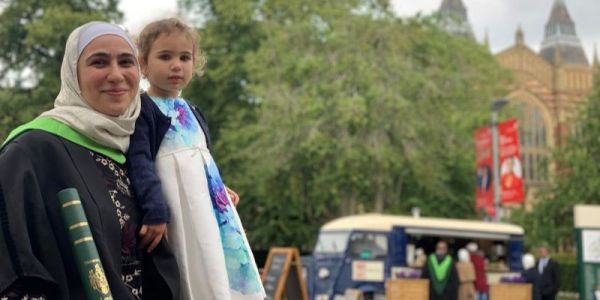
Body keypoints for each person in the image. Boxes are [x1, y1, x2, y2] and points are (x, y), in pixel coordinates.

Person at [0, 21, 179, 299]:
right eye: (99, 62)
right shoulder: (33, 150)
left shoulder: (140, 148)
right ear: (74, 74)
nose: (116, 75)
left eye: (126, 61)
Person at [127, 18, 265, 299]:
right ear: (143, 64)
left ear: (195, 63)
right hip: (177, 209)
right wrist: (155, 209)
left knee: (216, 257)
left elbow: (202, 160)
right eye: (165, 57)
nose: (176, 65)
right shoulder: (144, 109)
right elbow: (140, 163)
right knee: (191, 263)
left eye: (184, 57)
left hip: (208, 206)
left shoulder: (192, 110)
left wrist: (219, 189)